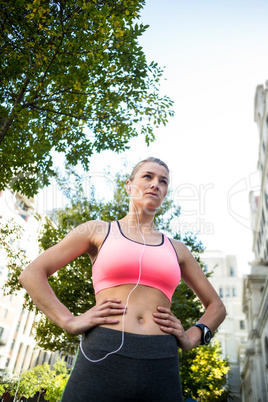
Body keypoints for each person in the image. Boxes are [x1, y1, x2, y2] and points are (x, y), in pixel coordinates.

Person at [19, 157, 226, 402]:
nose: (155, 184)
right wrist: (68, 321)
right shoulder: (98, 231)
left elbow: (217, 307)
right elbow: (32, 274)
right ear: (128, 185)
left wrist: (192, 336)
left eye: (163, 181)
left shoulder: (177, 249)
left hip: (160, 357)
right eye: (147, 177)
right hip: (103, 349)